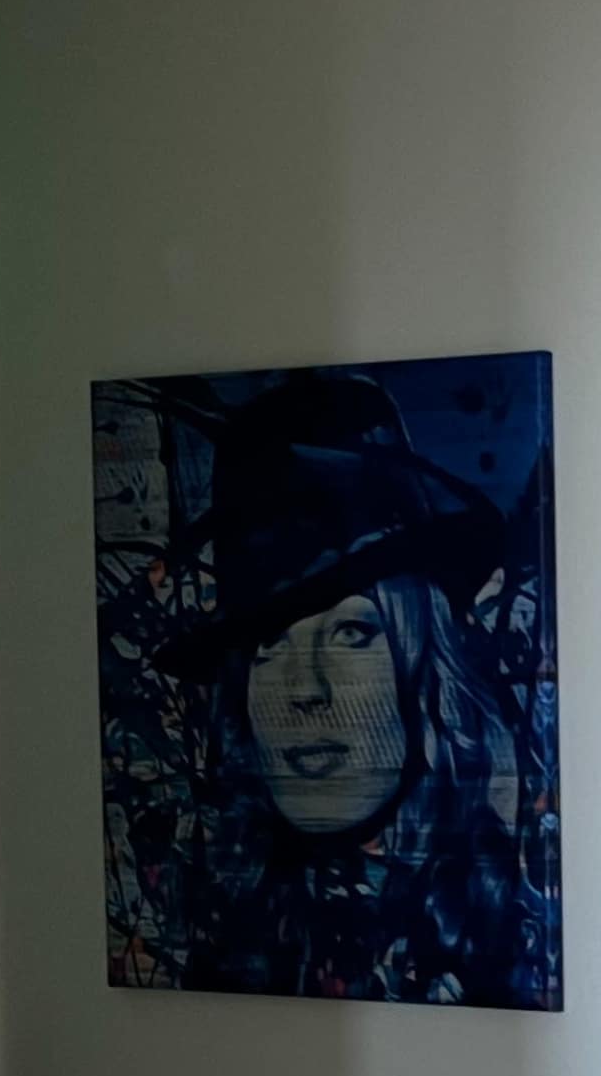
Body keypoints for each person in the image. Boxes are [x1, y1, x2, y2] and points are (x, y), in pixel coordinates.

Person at [154, 377, 557, 1007]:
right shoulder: (217, 919)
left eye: (351, 632)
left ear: (423, 666)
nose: (305, 689)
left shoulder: (519, 917)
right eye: (270, 646)